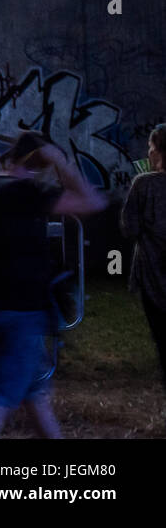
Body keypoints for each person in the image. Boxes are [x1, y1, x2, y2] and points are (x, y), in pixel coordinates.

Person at [0, 132, 106, 439]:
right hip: (24, 314)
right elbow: (93, 201)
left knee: (33, 398)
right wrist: (60, 161)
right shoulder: (29, 193)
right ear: (39, 162)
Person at [121, 123, 166, 394]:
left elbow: (130, 228)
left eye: (150, 149)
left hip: (153, 277)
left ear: (159, 151)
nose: (148, 154)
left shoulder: (144, 184)